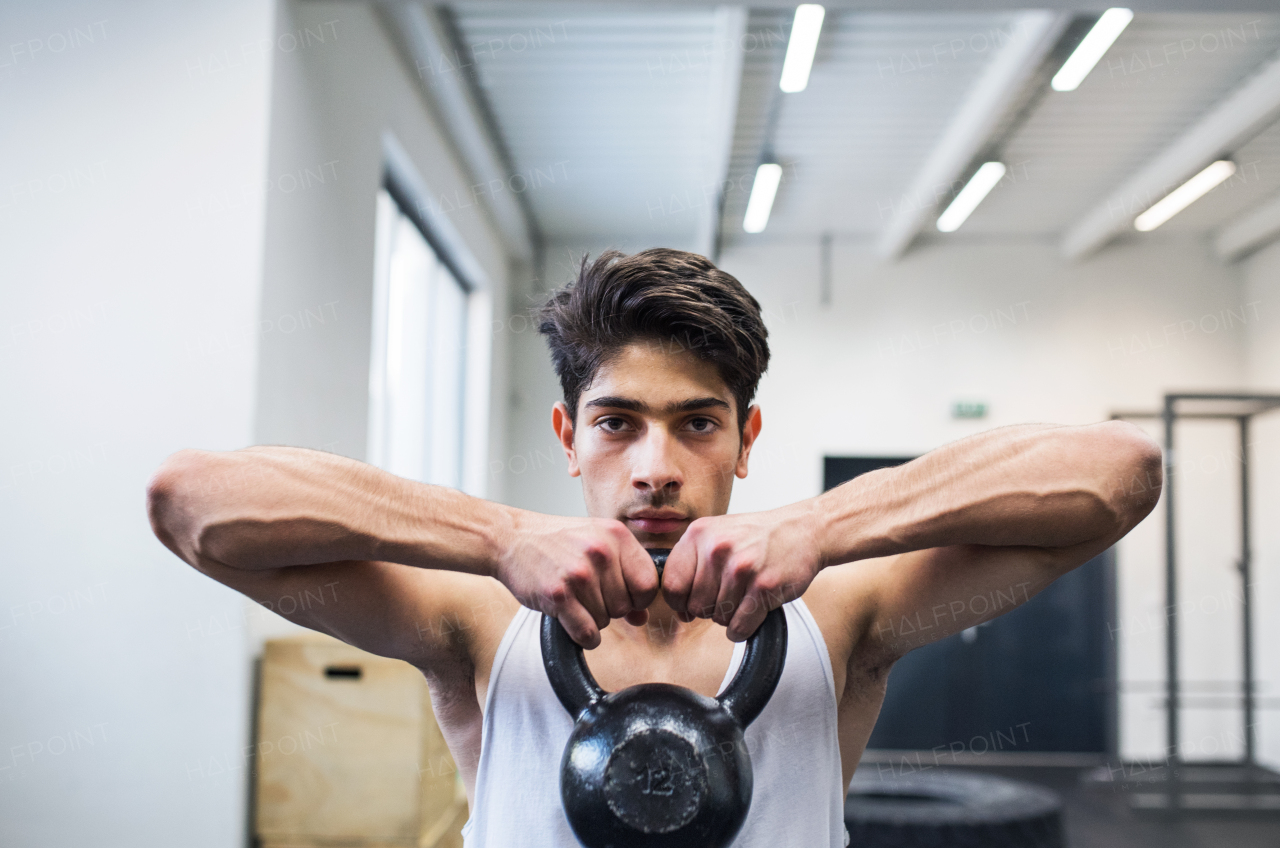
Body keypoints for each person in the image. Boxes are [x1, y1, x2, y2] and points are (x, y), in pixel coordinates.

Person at [146, 248, 1162, 847]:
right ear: (567, 436)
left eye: (697, 423)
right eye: (617, 421)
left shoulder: (844, 608)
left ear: (745, 439)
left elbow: (1115, 474)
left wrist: (822, 523)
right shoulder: (473, 616)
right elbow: (193, 502)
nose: (654, 465)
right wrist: (496, 533)